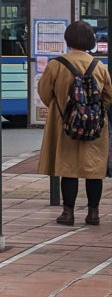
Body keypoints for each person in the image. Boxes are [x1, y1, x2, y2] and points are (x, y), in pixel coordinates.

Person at [37, 20, 112, 226]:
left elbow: (44, 93)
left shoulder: (56, 65)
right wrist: (93, 112)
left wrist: (63, 108)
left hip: (65, 126)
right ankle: (93, 213)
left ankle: (68, 213)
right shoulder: (99, 66)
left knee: (68, 168)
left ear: (67, 39)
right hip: (95, 126)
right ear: (91, 41)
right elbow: (108, 96)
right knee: (94, 169)